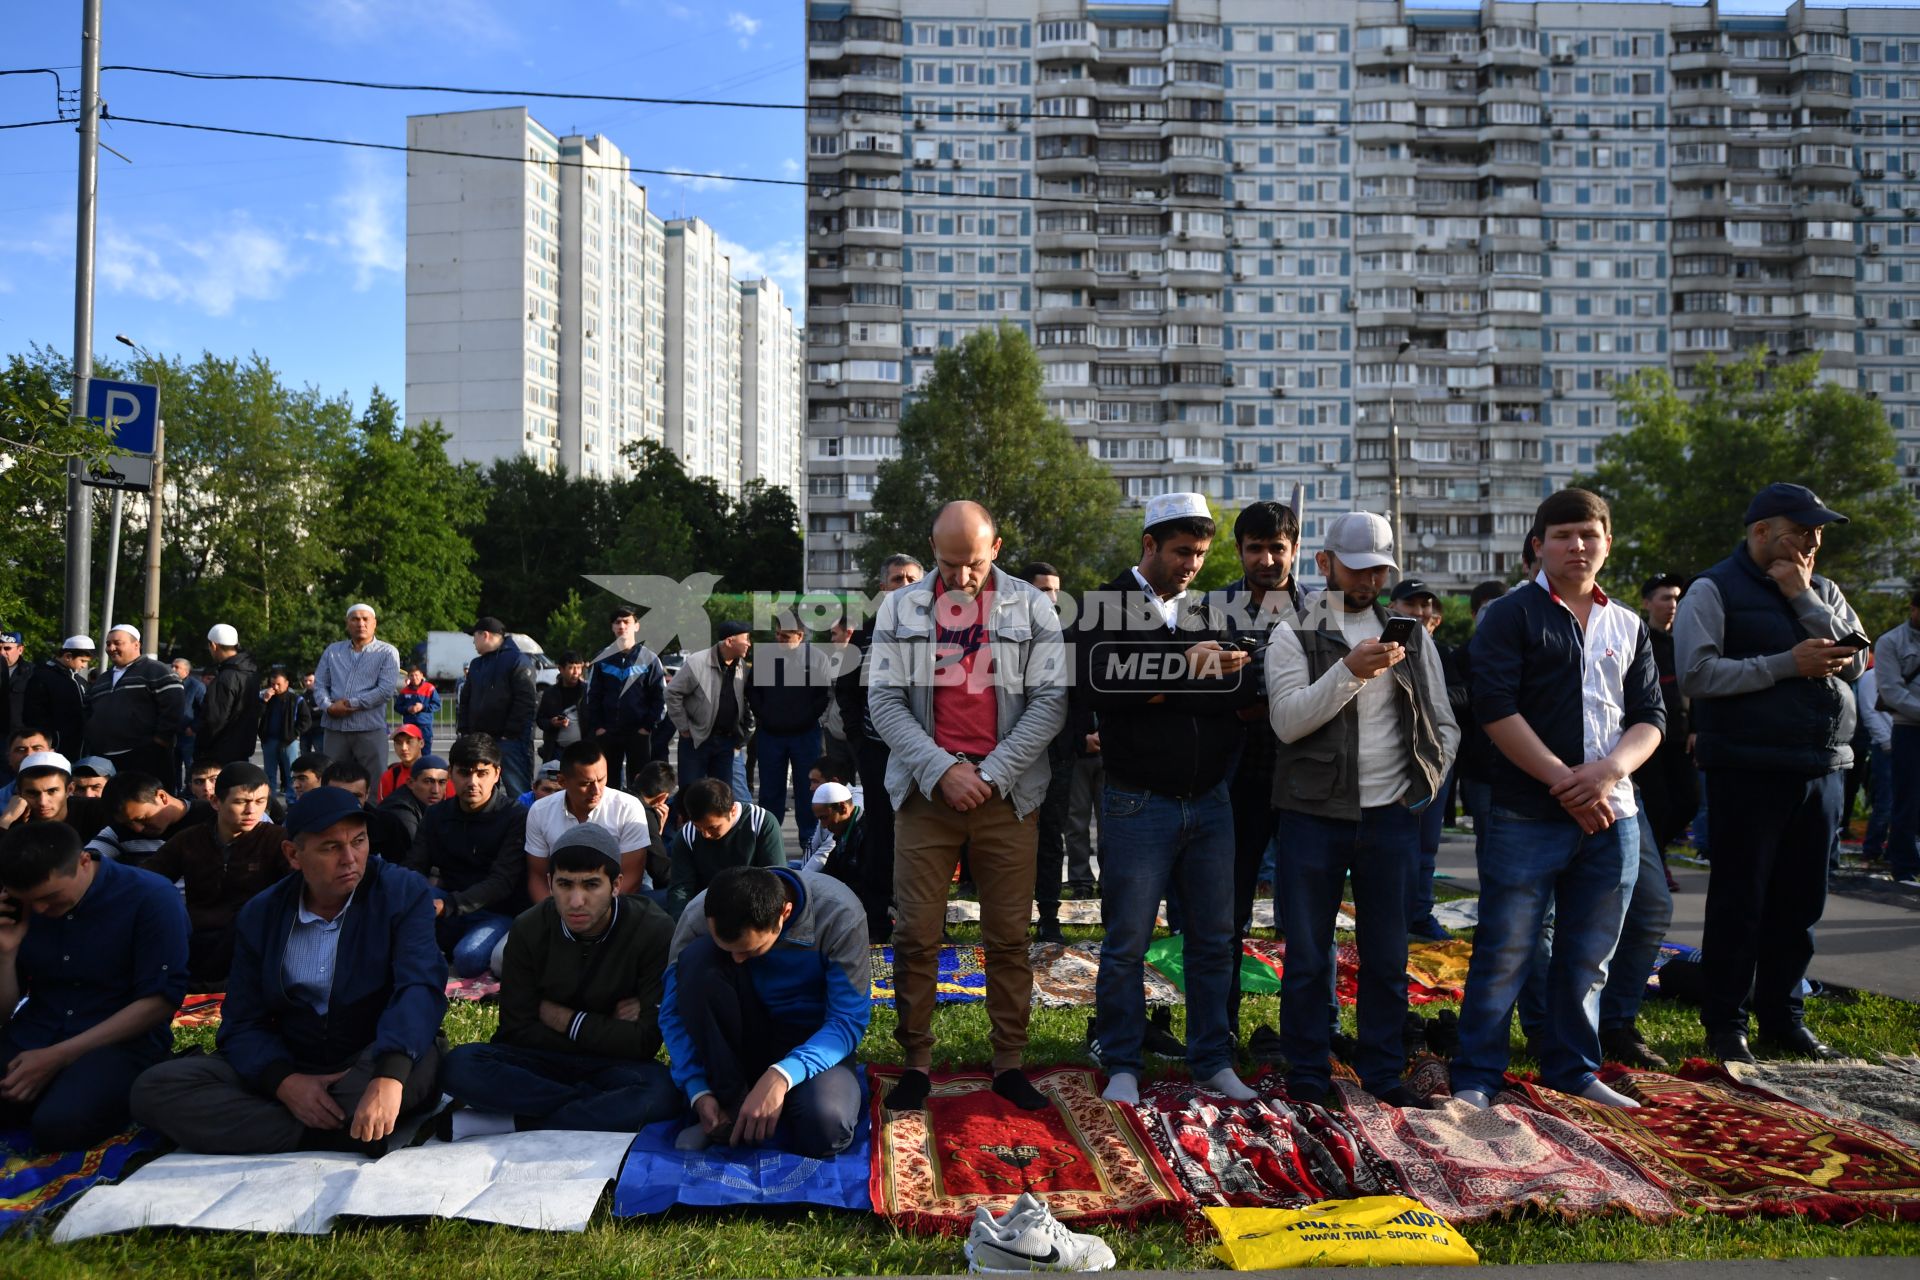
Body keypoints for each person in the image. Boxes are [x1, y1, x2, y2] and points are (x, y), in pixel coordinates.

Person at [1451, 489, 1664, 1111]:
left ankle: (1572, 1070)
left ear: (1607, 542)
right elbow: (1494, 708)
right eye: (1563, 535)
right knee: (1506, 949)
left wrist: (1607, 773)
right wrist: (1564, 781)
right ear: (1538, 545)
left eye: (1589, 535)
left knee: (1588, 956)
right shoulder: (1511, 615)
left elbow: (1650, 717)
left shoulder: (1627, 624)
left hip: (1613, 813)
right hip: (1526, 811)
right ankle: (1476, 1076)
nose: (1577, 546)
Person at [870, 501, 1067, 1114]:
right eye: (947, 564)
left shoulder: (1033, 608)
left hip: (1008, 797)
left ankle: (1008, 1062)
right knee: (916, 935)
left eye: (973, 565)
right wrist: (942, 770)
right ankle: (917, 1063)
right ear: (932, 551)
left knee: (1009, 937)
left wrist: (989, 773)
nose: (959, 579)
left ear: (998, 548)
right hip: (927, 796)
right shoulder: (900, 608)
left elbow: (1050, 701)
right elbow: (884, 701)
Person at [129, 787, 447, 1155]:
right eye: (330, 847)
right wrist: (284, 1082)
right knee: (155, 1089)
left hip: (369, 1053)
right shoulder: (262, 914)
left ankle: (274, 1124)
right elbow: (243, 1021)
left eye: (359, 841)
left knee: (414, 1069)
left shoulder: (401, 892)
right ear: (293, 855)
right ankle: (326, 1133)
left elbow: (419, 986)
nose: (350, 859)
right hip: (295, 1055)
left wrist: (389, 1075)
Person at [1078, 493, 1266, 1107]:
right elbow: (1101, 682)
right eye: (1182, 551)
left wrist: (1162, 682)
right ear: (1149, 545)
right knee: (1127, 940)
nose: (1192, 564)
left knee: (1215, 938)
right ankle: (1124, 1061)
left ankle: (1212, 1058)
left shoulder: (1208, 611)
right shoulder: (1103, 604)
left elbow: (1232, 691)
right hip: (1138, 801)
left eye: (1202, 554)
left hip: (1210, 802)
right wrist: (1187, 671)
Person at [1267, 513, 1458, 1107]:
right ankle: (1305, 1070)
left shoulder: (1411, 633)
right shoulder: (1292, 630)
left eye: (1380, 568)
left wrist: (1423, 786)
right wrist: (1348, 672)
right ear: (1324, 564)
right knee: (1306, 954)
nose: (1371, 578)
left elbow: (1443, 721)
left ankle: (1380, 1071)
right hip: (1312, 816)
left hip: (1391, 818)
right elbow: (1289, 720)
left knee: (1386, 957)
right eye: (1358, 566)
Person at [1678, 483, 1867, 1063]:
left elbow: (1856, 660)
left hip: (1822, 769)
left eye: (1818, 533)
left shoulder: (1824, 589)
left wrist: (1803, 594)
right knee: (1741, 901)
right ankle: (1725, 1022)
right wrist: (1786, 665)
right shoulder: (1713, 589)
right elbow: (1698, 675)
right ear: (1761, 533)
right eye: (1800, 531)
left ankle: (1784, 1018)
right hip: (1748, 768)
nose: (1812, 542)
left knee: (1801, 903)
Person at [438, 825, 680, 1134]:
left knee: (662, 1095)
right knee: (460, 1065)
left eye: (592, 885)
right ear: (550, 883)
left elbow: (644, 1042)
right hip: (539, 1061)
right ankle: (592, 1106)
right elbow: (517, 1029)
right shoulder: (529, 928)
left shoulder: (652, 929)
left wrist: (566, 1019)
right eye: (566, 885)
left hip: (613, 1065)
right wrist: (608, 1025)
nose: (577, 901)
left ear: (616, 885)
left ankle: (519, 1121)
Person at [657, 865, 870, 1157]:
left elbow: (848, 1020)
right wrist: (698, 1090)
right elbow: (674, 1012)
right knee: (697, 960)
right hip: (740, 1035)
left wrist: (782, 1075)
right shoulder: (697, 914)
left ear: (785, 914)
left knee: (826, 1128)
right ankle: (730, 1101)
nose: (738, 960)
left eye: (751, 950)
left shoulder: (838, 913)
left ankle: (769, 1105)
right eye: (728, 950)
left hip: (812, 1038)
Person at [0, 821, 188, 1151]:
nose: (42, 909)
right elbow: (4, 1012)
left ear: (85, 861)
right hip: (37, 1029)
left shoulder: (150, 896)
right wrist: (6, 952)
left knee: (59, 1126)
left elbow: (159, 1001)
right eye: (32, 901)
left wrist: (57, 1057)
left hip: (118, 1040)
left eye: (51, 897)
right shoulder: (18, 905)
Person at [1212, 500, 1307, 1025]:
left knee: (1307, 916)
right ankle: (1219, 1028)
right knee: (1227, 916)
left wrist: (1274, 699)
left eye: (1278, 547)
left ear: (1294, 549)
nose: (1268, 559)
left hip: (1303, 781)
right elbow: (1196, 686)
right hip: (1233, 781)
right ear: (1239, 551)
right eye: (1256, 548)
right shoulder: (1209, 609)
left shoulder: (1320, 609)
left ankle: (1316, 1029)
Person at [833, 553, 925, 944]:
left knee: (925, 833)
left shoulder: (940, 626)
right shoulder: (869, 633)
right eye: (895, 579)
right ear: (882, 586)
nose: (903, 585)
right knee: (881, 831)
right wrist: (857, 738)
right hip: (876, 751)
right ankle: (876, 916)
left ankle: (923, 916)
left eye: (911, 579)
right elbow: (846, 689)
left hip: (926, 753)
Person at [138, 762, 281, 986]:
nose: (251, 811)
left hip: (254, 946)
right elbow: (147, 879)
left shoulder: (278, 841)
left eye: (260, 802)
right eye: (240, 802)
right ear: (215, 802)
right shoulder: (190, 840)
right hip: (197, 943)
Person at [404, 734, 529, 979]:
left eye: (482, 773)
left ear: (497, 773)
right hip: (447, 905)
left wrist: (447, 905)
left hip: (495, 912)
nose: (472, 782)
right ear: (451, 773)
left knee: (469, 957)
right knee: (405, 890)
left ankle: (439, 949)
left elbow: (502, 882)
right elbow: (414, 865)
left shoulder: (515, 816)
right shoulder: (437, 815)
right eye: (464, 773)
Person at [1387, 577, 1455, 943]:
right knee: (1392, 852)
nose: (1420, 611)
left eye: (1426, 604)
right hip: (1394, 765)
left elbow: (1453, 701)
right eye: (1412, 604)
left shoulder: (1440, 649)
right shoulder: (1376, 644)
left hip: (1433, 761)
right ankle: (1396, 920)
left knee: (1426, 848)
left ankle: (1420, 914)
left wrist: (1443, 757)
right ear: (1393, 606)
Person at [1022, 562, 1078, 946]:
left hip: (1058, 754)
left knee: (1051, 837)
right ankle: (1009, 913)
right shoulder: (1004, 635)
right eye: (1043, 589)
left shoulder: (1069, 637)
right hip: (1011, 755)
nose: (1051, 598)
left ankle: (1049, 915)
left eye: (1055, 590)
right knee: (1007, 839)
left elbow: (1076, 698)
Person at [525, 740, 654, 902]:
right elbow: (538, 877)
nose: (596, 791)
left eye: (601, 779)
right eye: (585, 783)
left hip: (617, 903)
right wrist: (557, 916)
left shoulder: (628, 807)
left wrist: (597, 916)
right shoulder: (540, 811)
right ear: (562, 781)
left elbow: (631, 877)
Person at [748, 625, 833, 848]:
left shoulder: (816, 658)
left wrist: (807, 717)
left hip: (805, 734)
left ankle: (810, 841)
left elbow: (823, 694)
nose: (779, 639)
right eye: (777, 634)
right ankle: (768, 841)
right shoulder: (765, 656)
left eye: (785, 636)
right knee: (770, 791)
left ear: (800, 636)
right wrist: (764, 715)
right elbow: (752, 691)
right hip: (770, 734)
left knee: (808, 790)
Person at [664, 778, 786, 918]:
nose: (706, 834)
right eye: (698, 827)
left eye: (712, 827)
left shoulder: (760, 822)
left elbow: (776, 879)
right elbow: (680, 889)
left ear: (732, 810)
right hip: (707, 912)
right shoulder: (687, 836)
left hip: (754, 909)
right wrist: (681, 926)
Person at [314, 604, 403, 785]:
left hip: (369, 728)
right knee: (333, 779)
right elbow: (320, 684)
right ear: (347, 624)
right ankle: (338, 813)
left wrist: (350, 704)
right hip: (335, 728)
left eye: (365, 619)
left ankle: (371, 814)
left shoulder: (387, 652)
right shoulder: (333, 651)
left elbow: (385, 690)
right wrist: (328, 707)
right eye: (355, 619)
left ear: (374, 623)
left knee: (374, 781)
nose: (360, 623)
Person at [85, 624, 185, 785]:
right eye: (108, 643)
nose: (111, 648)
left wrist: (158, 742)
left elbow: (174, 707)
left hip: (146, 760)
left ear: (136, 644)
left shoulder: (157, 671)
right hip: (106, 761)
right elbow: (89, 712)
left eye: (117, 643)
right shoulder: (102, 680)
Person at [582, 604, 666, 790]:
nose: (622, 626)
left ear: (636, 626)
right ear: (612, 627)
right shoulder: (601, 658)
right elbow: (592, 696)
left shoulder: (650, 659)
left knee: (640, 783)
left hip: (639, 732)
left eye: (627, 621)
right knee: (607, 783)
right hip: (608, 732)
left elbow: (660, 697)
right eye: (617, 622)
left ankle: (638, 818)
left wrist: (647, 727)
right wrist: (598, 727)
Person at [667, 622, 754, 799]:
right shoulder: (698, 662)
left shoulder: (742, 667)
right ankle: (687, 826)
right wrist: (684, 728)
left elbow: (746, 702)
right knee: (691, 794)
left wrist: (743, 735)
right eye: (746, 639)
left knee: (723, 795)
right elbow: (672, 692)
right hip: (696, 740)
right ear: (730, 641)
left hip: (727, 742)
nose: (749, 644)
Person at [456, 617, 538, 798]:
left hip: (511, 741)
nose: (473, 642)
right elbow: (466, 699)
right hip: (480, 740)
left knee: (518, 791)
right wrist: (465, 730)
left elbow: (526, 701)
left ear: (485, 635)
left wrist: (510, 732)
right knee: (482, 792)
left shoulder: (518, 660)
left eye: (474, 637)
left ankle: (522, 825)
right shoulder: (477, 664)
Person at [1873, 587, 1920, 884]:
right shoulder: (1891, 641)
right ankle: (1903, 866)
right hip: (1909, 729)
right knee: (1909, 799)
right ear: (1913, 608)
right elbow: (1891, 692)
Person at [87, 770, 214, 866]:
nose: (137, 828)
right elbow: (87, 860)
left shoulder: (212, 817)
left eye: (142, 818)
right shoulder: (120, 830)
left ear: (162, 797)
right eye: (128, 823)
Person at [197, 624, 261, 768]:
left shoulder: (226, 677)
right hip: (243, 747)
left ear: (214, 645)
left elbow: (215, 719)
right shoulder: (251, 672)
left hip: (220, 753)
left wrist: (202, 747)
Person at [21, 636, 93, 759]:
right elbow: (32, 716)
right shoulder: (42, 677)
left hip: (78, 749)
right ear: (68, 656)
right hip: (54, 750)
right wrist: (52, 739)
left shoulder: (79, 681)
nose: (84, 666)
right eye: (82, 661)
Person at [0, 752, 106, 836]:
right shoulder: (14, 820)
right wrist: (6, 820)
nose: (42, 802)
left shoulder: (97, 811)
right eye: (32, 793)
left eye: (52, 791)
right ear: (19, 793)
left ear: (69, 789)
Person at [1856, 659, 1895, 866]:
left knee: (1906, 803)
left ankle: (1894, 851)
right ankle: (1871, 850)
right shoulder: (1871, 677)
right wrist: (1887, 742)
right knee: (1885, 802)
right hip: (1886, 747)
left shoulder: (1897, 675)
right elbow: (1870, 713)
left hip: (1906, 745)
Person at [257, 669, 309, 803]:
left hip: (289, 741)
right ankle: (270, 802)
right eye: (272, 684)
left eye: (278, 684)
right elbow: (256, 715)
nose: (275, 687)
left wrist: (294, 733)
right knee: (269, 774)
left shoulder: (296, 700)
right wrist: (264, 701)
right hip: (269, 741)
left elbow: (305, 720)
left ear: (287, 683)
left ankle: (292, 801)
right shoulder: (266, 699)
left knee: (291, 773)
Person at [378, 753, 449, 847]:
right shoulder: (401, 810)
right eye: (428, 781)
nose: (435, 790)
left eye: (442, 782)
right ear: (410, 783)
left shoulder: (425, 803)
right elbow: (417, 853)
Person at [536, 652, 588, 764]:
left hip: (583, 750)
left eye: (578, 668)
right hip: (557, 751)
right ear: (561, 669)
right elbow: (540, 720)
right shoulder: (550, 693)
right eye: (571, 668)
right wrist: (552, 723)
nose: (576, 672)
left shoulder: (588, 691)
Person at [171, 658, 206, 792]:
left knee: (190, 767)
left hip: (188, 735)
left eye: (176, 667)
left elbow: (204, 710)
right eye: (172, 666)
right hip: (173, 735)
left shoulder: (196, 686)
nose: (173, 669)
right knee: (173, 768)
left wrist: (194, 727)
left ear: (186, 670)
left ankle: (191, 794)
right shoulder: (170, 684)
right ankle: (175, 793)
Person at [0, 726, 52, 807]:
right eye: (21, 750)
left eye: (37, 748)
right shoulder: (1, 799)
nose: (29, 754)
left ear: (52, 754)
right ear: (9, 758)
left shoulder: (74, 792)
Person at [395, 665, 441, 754]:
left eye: (416, 675)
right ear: (408, 677)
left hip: (425, 726)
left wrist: (423, 707)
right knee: (411, 752)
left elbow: (437, 704)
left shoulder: (429, 688)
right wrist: (407, 709)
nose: (414, 678)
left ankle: (424, 767)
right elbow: (397, 707)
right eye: (411, 675)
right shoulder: (405, 691)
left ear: (421, 675)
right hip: (410, 726)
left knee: (426, 752)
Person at [378, 724, 429, 800]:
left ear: (421, 743)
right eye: (399, 743)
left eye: (409, 742)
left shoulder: (436, 773)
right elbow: (383, 809)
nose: (403, 748)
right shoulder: (389, 776)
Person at [298, 673, 328, 757]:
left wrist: (310, 710)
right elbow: (300, 713)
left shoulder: (322, 695)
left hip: (318, 730)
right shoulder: (302, 697)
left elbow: (323, 711)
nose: (307, 683)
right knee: (304, 756)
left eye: (310, 681)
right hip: (305, 731)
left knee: (321, 756)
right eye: (306, 681)